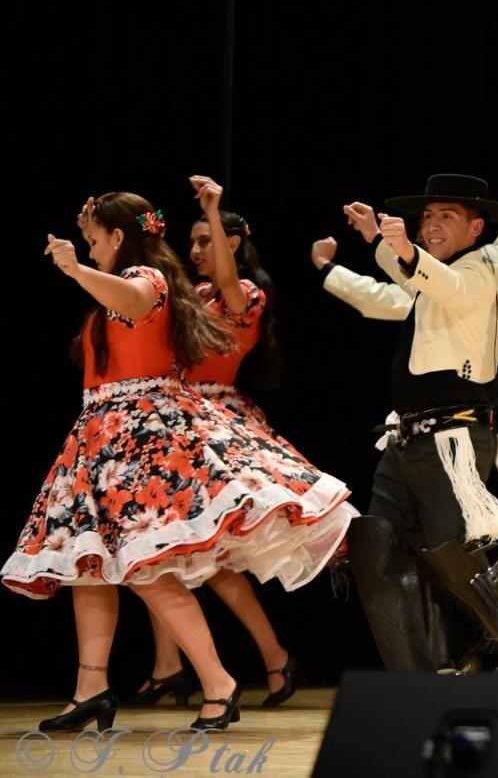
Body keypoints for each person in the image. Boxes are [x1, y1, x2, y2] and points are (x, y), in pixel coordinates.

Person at [5, 192, 355, 733]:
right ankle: (90, 690)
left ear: (118, 238)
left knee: (146, 568)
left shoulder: (148, 278)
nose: (91, 250)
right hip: (101, 436)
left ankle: (218, 683)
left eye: (96, 240)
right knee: (88, 566)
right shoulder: (122, 283)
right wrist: (84, 264)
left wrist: (75, 269)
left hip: (138, 437)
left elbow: (134, 300)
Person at [314, 141, 498, 677]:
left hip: (454, 438)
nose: (430, 225)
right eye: (426, 216)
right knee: (374, 546)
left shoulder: (483, 272)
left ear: (476, 227)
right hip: (406, 440)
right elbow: (392, 292)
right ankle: (419, 678)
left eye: (445, 215)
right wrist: (355, 253)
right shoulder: (430, 284)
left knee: (452, 551)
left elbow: (471, 266)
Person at [129, 176, 316, 709]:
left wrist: (212, 209)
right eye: (191, 242)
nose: (195, 251)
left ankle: (272, 657)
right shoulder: (198, 294)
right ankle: (171, 666)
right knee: (160, 547)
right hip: (176, 424)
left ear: (232, 243)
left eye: (205, 241)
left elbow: (230, 281)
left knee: (213, 562)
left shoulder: (245, 293)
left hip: (216, 427)